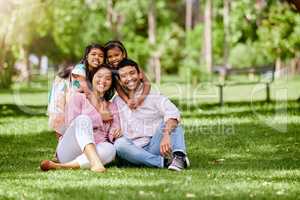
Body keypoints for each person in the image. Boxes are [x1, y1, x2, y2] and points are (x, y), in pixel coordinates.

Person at [41, 64, 122, 172]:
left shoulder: (112, 106)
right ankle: (94, 162)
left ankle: (62, 166)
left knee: (111, 149)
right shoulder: (78, 97)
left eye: (108, 78)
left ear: (111, 83)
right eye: (99, 76)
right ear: (92, 78)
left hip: (96, 148)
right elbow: (70, 125)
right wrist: (100, 117)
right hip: (70, 149)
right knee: (83, 119)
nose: (103, 80)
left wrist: (118, 132)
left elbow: (112, 133)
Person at [113, 59, 189, 171]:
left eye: (132, 73)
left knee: (172, 119)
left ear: (140, 75)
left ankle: (179, 157)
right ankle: (163, 162)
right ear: (119, 81)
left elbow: (173, 112)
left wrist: (166, 135)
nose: (129, 78)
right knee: (119, 145)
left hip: (155, 145)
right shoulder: (117, 101)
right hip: (133, 149)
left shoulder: (153, 94)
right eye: (123, 76)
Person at [48, 43, 111, 139]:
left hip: (72, 93)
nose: (97, 57)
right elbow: (88, 92)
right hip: (61, 91)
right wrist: (101, 112)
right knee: (60, 118)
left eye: (101, 56)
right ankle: (60, 147)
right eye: (93, 54)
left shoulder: (94, 71)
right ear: (86, 56)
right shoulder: (80, 69)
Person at [104, 40, 151, 110]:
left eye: (116, 55)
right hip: (128, 97)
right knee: (118, 101)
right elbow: (119, 89)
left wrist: (140, 99)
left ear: (123, 54)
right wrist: (127, 101)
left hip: (143, 93)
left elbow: (147, 83)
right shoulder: (112, 72)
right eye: (110, 57)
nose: (113, 58)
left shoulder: (132, 65)